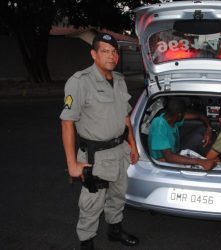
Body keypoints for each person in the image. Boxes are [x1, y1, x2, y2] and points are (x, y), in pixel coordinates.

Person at [60, 33, 139, 250]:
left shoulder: (120, 80)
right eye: (105, 51)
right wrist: (71, 164)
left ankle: (114, 231)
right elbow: (67, 123)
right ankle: (86, 241)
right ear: (93, 54)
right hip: (96, 156)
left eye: (114, 51)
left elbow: (125, 117)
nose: (111, 55)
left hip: (120, 150)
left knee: (118, 195)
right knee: (92, 203)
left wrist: (132, 145)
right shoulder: (80, 82)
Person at [148, 98, 217, 170]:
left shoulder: (171, 117)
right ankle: (208, 160)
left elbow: (200, 116)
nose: (185, 114)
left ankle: (212, 157)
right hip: (163, 160)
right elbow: (169, 157)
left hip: (175, 151)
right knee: (200, 164)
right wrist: (201, 162)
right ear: (179, 115)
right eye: (184, 112)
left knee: (202, 129)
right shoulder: (159, 126)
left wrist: (209, 129)